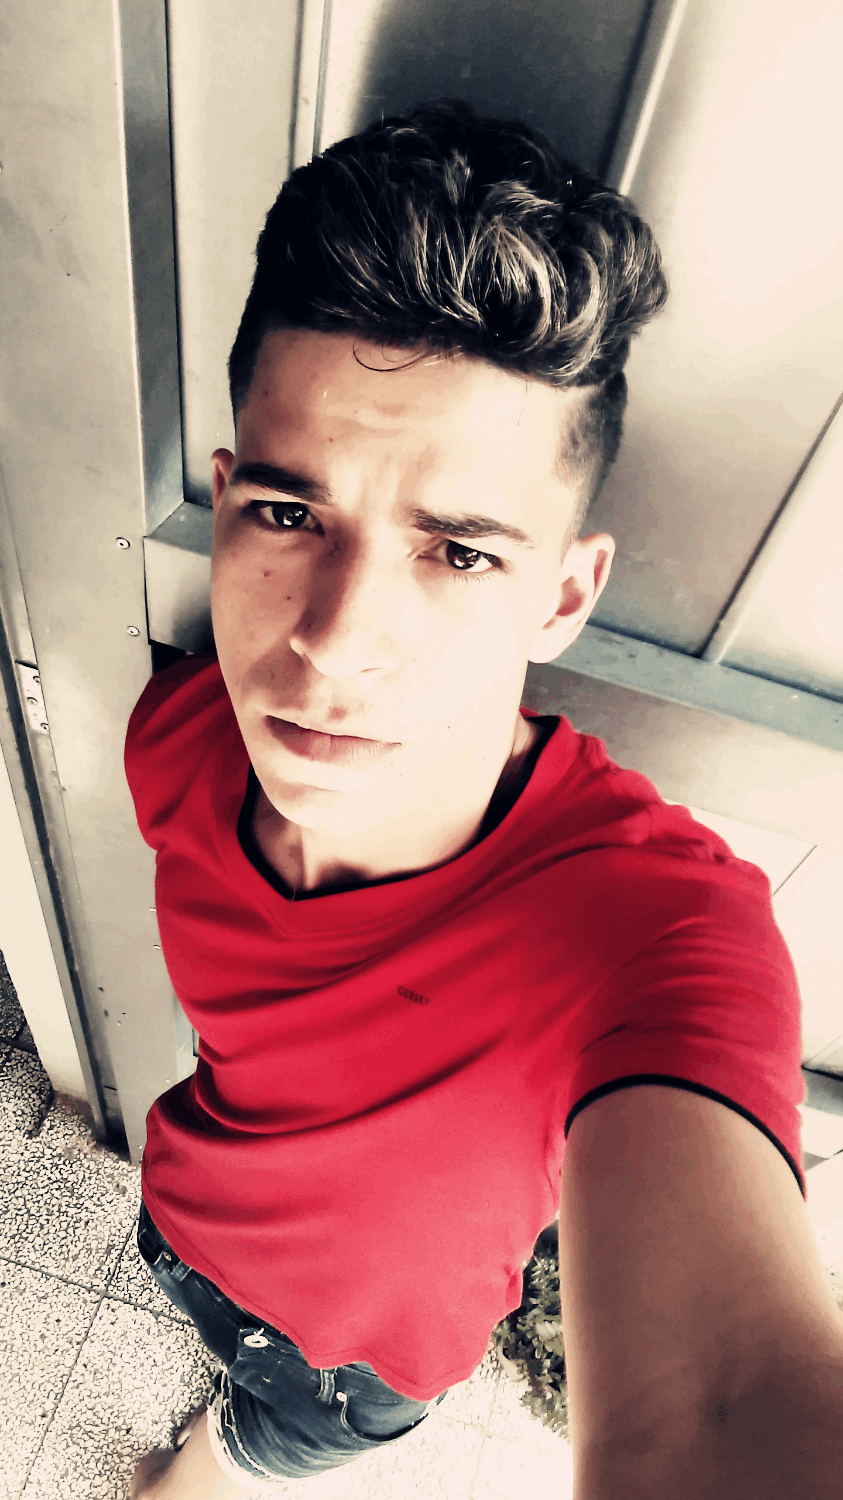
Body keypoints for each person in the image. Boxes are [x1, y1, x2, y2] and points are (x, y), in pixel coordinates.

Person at [126, 101, 832, 1499]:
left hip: (359, 1357)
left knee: (259, 1447)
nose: (333, 642)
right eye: (289, 515)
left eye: (457, 553)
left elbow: (722, 1411)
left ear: (563, 595)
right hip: (181, 1210)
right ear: (225, 502)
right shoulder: (183, 739)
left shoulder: (652, 935)